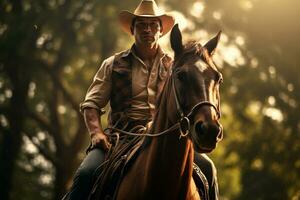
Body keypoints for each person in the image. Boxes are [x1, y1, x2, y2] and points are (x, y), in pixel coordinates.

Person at [65, 0, 219, 199]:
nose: (148, 30)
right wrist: (96, 133)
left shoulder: (176, 68)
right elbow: (91, 104)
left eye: (153, 25)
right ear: (132, 29)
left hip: (166, 139)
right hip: (119, 140)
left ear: (161, 31)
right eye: (141, 25)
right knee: (86, 175)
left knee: (208, 169)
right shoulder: (112, 64)